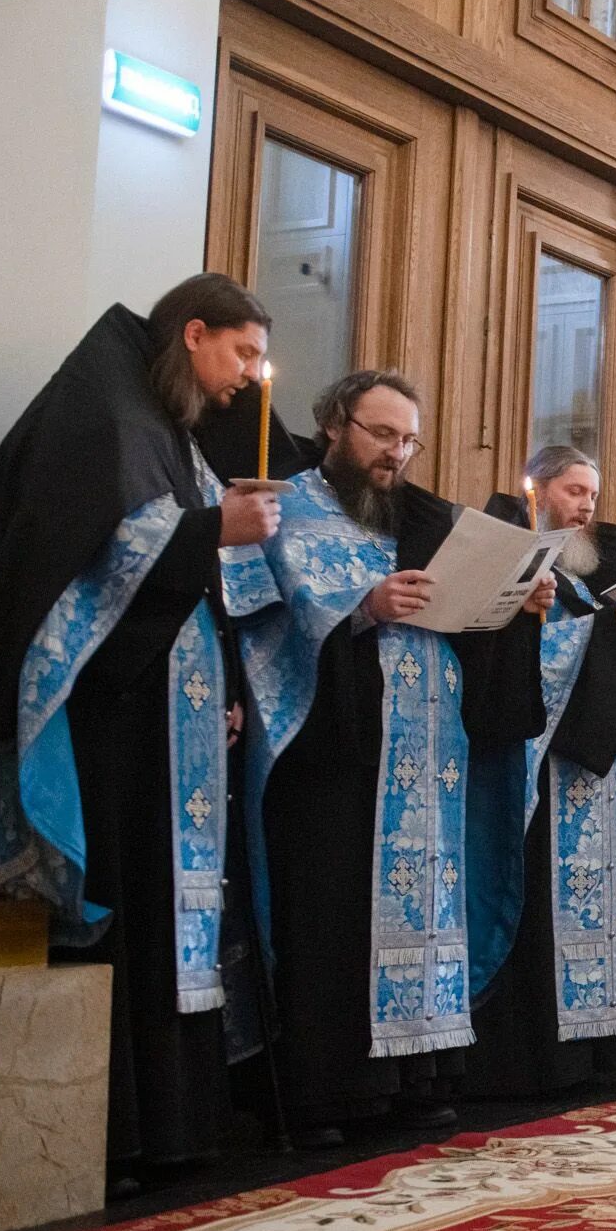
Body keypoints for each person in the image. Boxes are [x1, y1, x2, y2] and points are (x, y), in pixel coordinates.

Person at [0, 273, 279, 1184]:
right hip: (114, 722)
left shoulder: (162, 419)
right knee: (131, 903)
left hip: (177, 719)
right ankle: (119, 1134)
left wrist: (231, 680)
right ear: (195, 332)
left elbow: (190, 565)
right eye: (243, 352)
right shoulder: (108, 414)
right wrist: (215, 527)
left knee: (177, 911)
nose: (251, 373)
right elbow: (93, 556)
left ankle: (177, 1128)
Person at [238, 369, 551, 1148]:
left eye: (408, 439)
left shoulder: (423, 515)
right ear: (336, 423)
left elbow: (468, 618)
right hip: (336, 758)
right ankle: (330, 1093)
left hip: (430, 756)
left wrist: (517, 608)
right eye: (383, 434)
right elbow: (268, 621)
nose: (396, 453)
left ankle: (419, 1081)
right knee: (333, 919)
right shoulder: (290, 509)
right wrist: (365, 607)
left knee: (425, 913)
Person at [463, 446, 616, 1097]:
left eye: (592, 492)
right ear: (538, 489)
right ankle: (545, 1057)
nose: (586, 505)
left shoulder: (584, 576)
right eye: (573, 490)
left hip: (610, 764)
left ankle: (601, 1047)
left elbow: (605, 643)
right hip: (552, 767)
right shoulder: (518, 561)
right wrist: (602, 634)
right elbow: (513, 654)